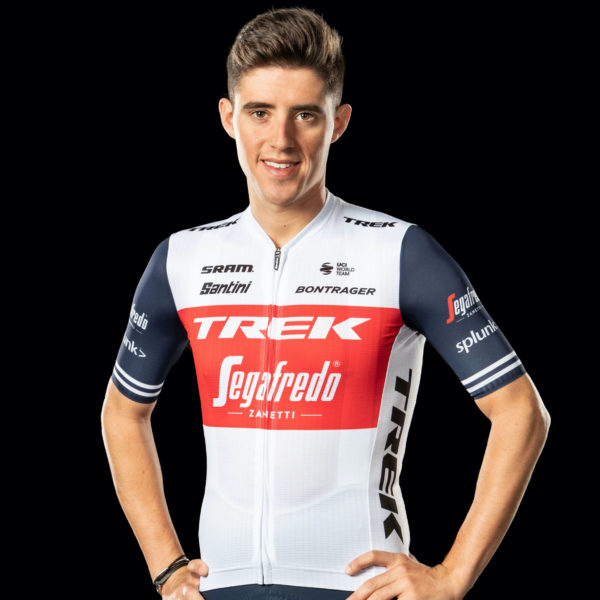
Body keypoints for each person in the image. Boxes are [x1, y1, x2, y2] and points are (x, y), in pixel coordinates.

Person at [101, 7, 550, 599]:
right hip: (222, 590)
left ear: (338, 122)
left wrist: (452, 576)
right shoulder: (181, 260)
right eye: (260, 112)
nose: (280, 140)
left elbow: (521, 413)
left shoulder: (401, 252)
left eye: (305, 115)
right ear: (229, 117)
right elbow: (122, 413)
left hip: (357, 591)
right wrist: (165, 566)